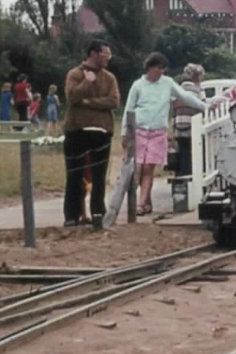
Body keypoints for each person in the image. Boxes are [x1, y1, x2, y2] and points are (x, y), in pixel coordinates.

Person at [124, 53, 220, 215]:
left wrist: (205, 106)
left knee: (149, 167)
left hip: (157, 130)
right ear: (150, 68)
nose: (161, 71)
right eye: (158, 68)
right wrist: (124, 133)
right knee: (139, 167)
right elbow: (129, 108)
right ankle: (145, 201)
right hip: (139, 129)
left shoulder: (167, 83)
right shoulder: (137, 85)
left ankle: (141, 204)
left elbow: (186, 97)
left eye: (163, 69)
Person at [63, 40, 120, 227]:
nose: (108, 58)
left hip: (102, 131)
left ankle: (98, 212)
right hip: (76, 130)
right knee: (74, 173)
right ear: (94, 54)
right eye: (106, 54)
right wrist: (86, 83)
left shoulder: (109, 78)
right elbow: (72, 97)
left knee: (99, 175)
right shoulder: (75, 74)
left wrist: (89, 102)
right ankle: (72, 215)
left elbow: (113, 101)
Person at [172, 63, 207, 178]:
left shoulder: (177, 91)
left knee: (182, 152)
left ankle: (181, 176)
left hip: (179, 125)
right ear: (197, 77)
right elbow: (204, 108)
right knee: (194, 153)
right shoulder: (199, 91)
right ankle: (192, 176)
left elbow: (172, 109)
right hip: (193, 126)